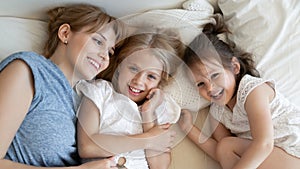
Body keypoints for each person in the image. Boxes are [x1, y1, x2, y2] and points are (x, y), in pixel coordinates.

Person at [0, 3, 123, 169]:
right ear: (65, 33)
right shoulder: (28, 70)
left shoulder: (88, 99)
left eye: (110, 52)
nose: (104, 56)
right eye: (98, 41)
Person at [178, 19, 300, 169]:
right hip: (268, 160)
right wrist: (188, 128)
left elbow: (264, 144)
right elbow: (222, 155)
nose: (210, 88)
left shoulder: (252, 91)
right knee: (225, 147)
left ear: (234, 67)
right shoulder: (217, 113)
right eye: (201, 84)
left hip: (293, 152)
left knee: (227, 145)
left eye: (215, 75)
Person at [75, 30, 184, 169]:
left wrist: (148, 114)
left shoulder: (158, 110)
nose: (138, 81)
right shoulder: (99, 92)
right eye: (133, 68)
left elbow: (160, 166)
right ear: (120, 64)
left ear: (160, 82)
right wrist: (149, 140)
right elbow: (87, 147)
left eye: (151, 76)